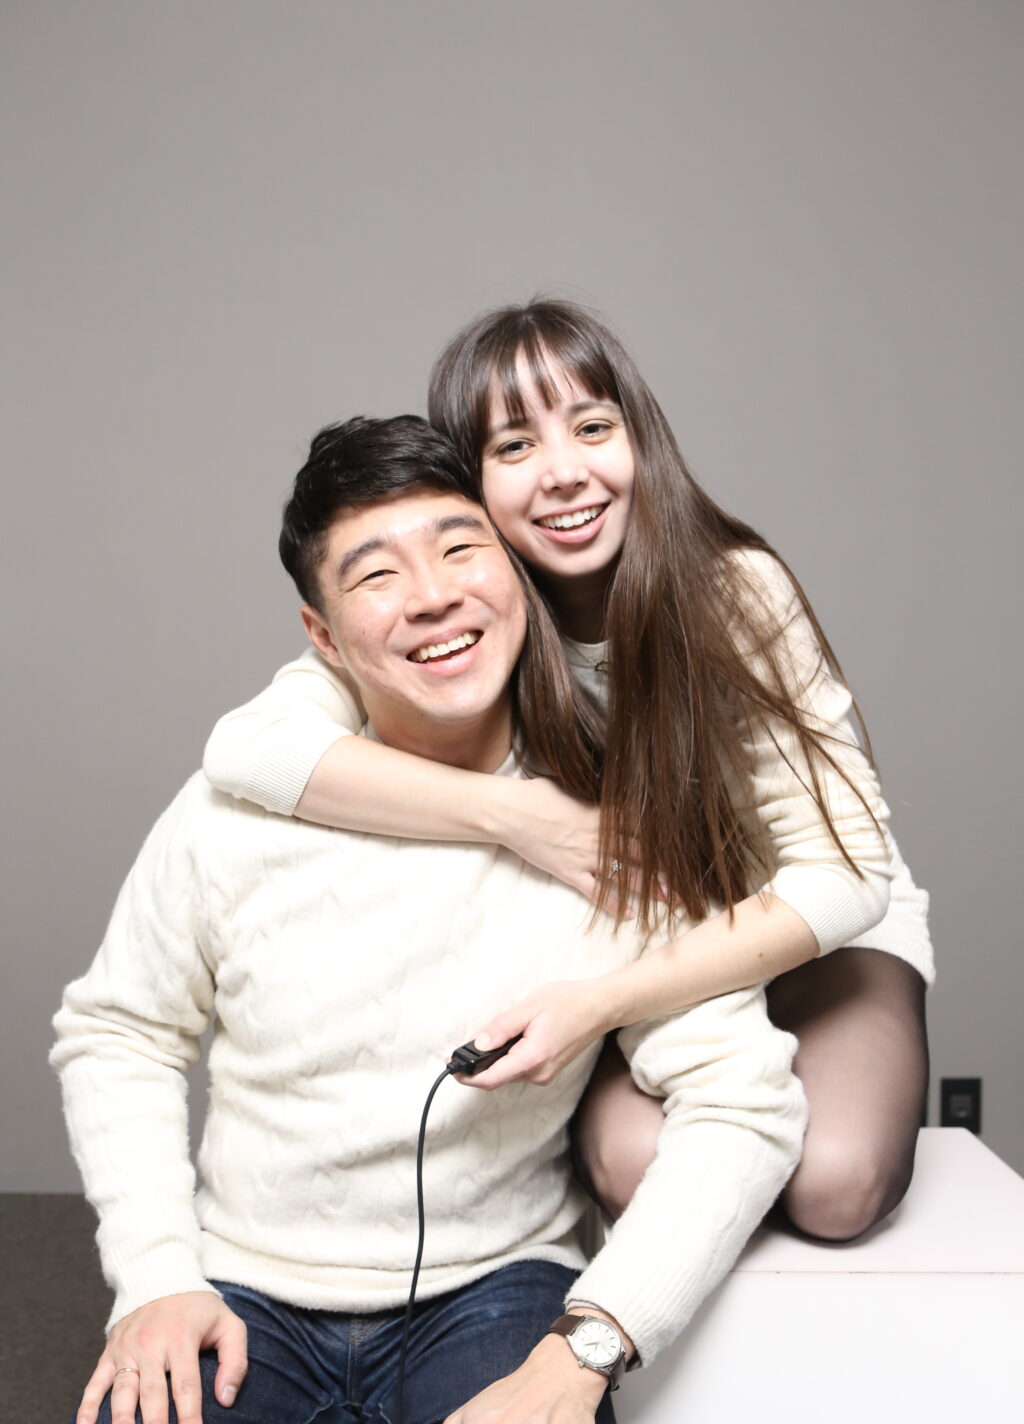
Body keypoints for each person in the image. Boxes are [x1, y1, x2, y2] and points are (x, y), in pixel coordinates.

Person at [33, 415, 806, 1424]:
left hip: (494, 1293)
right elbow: (120, 1032)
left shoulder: (609, 833)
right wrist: (156, 1273)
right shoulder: (230, 814)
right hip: (241, 1285)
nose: (433, 596)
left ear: (518, 573)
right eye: (377, 575)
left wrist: (581, 1353)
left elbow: (742, 1099)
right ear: (324, 634)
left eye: (459, 549)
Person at [203, 299, 933, 1243]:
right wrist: (519, 817)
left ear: (640, 440)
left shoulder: (733, 591)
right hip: (650, 952)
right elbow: (251, 751)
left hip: (812, 945)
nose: (564, 474)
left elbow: (846, 877)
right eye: (514, 448)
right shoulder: (472, 610)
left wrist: (600, 1005)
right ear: (471, 485)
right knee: (636, 1171)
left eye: (593, 428)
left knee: (834, 1187)